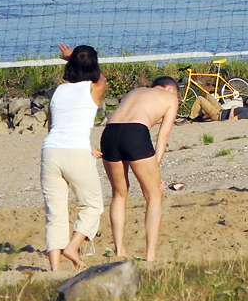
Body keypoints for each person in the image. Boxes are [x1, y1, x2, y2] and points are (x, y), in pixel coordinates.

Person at [41, 43, 106, 272]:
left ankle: (55, 269)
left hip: (50, 151)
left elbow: (53, 126)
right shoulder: (94, 87)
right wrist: (74, 59)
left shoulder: (58, 91)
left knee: (55, 211)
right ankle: (73, 247)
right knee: (93, 205)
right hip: (75, 152)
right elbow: (101, 77)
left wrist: (73, 60)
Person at [101, 75, 180, 262]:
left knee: (119, 194)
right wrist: (156, 170)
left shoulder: (135, 91)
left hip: (109, 132)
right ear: (170, 89)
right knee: (154, 194)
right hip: (134, 132)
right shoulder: (171, 98)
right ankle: (150, 255)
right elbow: (163, 137)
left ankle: (119, 250)